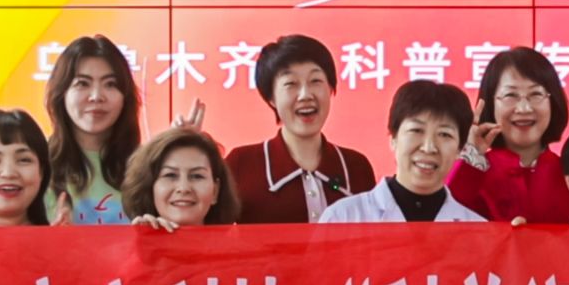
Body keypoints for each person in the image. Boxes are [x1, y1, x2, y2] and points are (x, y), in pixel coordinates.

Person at [224, 34, 377, 224]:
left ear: (330, 89)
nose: (305, 95)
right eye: (291, 84)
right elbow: (210, 233)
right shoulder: (241, 164)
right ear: (271, 98)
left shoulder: (356, 167)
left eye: (315, 81)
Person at [318, 82, 485, 223]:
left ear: (460, 149)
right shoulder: (343, 217)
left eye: (444, 134)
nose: (428, 147)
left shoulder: (478, 231)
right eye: (416, 130)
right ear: (393, 138)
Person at [449, 47, 569, 224]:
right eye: (510, 95)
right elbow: (444, 220)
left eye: (536, 94)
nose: (524, 108)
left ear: (552, 101)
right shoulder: (470, 173)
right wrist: (472, 155)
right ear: (491, 102)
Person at [42, 35, 140, 225]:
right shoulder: (36, 164)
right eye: (82, 83)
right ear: (62, 93)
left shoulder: (146, 167)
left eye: (110, 84)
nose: (96, 96)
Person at [122, 127, 242, 230]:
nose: (183, 188)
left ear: (215, 191)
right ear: (149, 187)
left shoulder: (236, 249)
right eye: (170, 175)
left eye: (197, 176)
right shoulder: (130, 247)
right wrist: (141, 244)